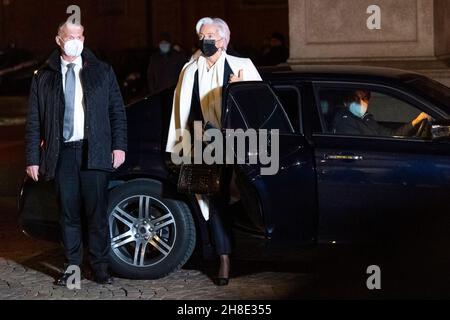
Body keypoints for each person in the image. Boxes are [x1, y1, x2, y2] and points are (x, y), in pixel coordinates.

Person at [25, 22, 127, 286]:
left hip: (94, 150)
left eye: (79, 35)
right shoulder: (44, 76)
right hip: (62, 154)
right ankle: (73, 269)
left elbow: (117, 111)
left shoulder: (102, 71)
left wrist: (119, 146)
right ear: (58, 39)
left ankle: (100, 267)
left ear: (84, 38)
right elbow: (34, 120)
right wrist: (32, 159)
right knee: (68, 214)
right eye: (69, 36)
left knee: (97, 213)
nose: (75, 40)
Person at [166, 17, 262, 285]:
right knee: (209, 199)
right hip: (202, 143)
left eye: (211, 36)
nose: (206, 40)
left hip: (235, 143)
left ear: (224, 40)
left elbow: (256, 108)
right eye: (202, 36)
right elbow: (180, 112)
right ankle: (221, 255)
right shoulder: (190, 69)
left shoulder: (242, 66)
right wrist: (177, 147)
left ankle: (235, 253)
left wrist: (237, 88)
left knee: (231, 196)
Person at [332, 90, 431, 136]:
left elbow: (393, 135)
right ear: (346, 102)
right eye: (356, 99)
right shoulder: (345, 120)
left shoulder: (366, 119)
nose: (361, 102)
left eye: (365, 98)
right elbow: (361, 147)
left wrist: (418, 120)